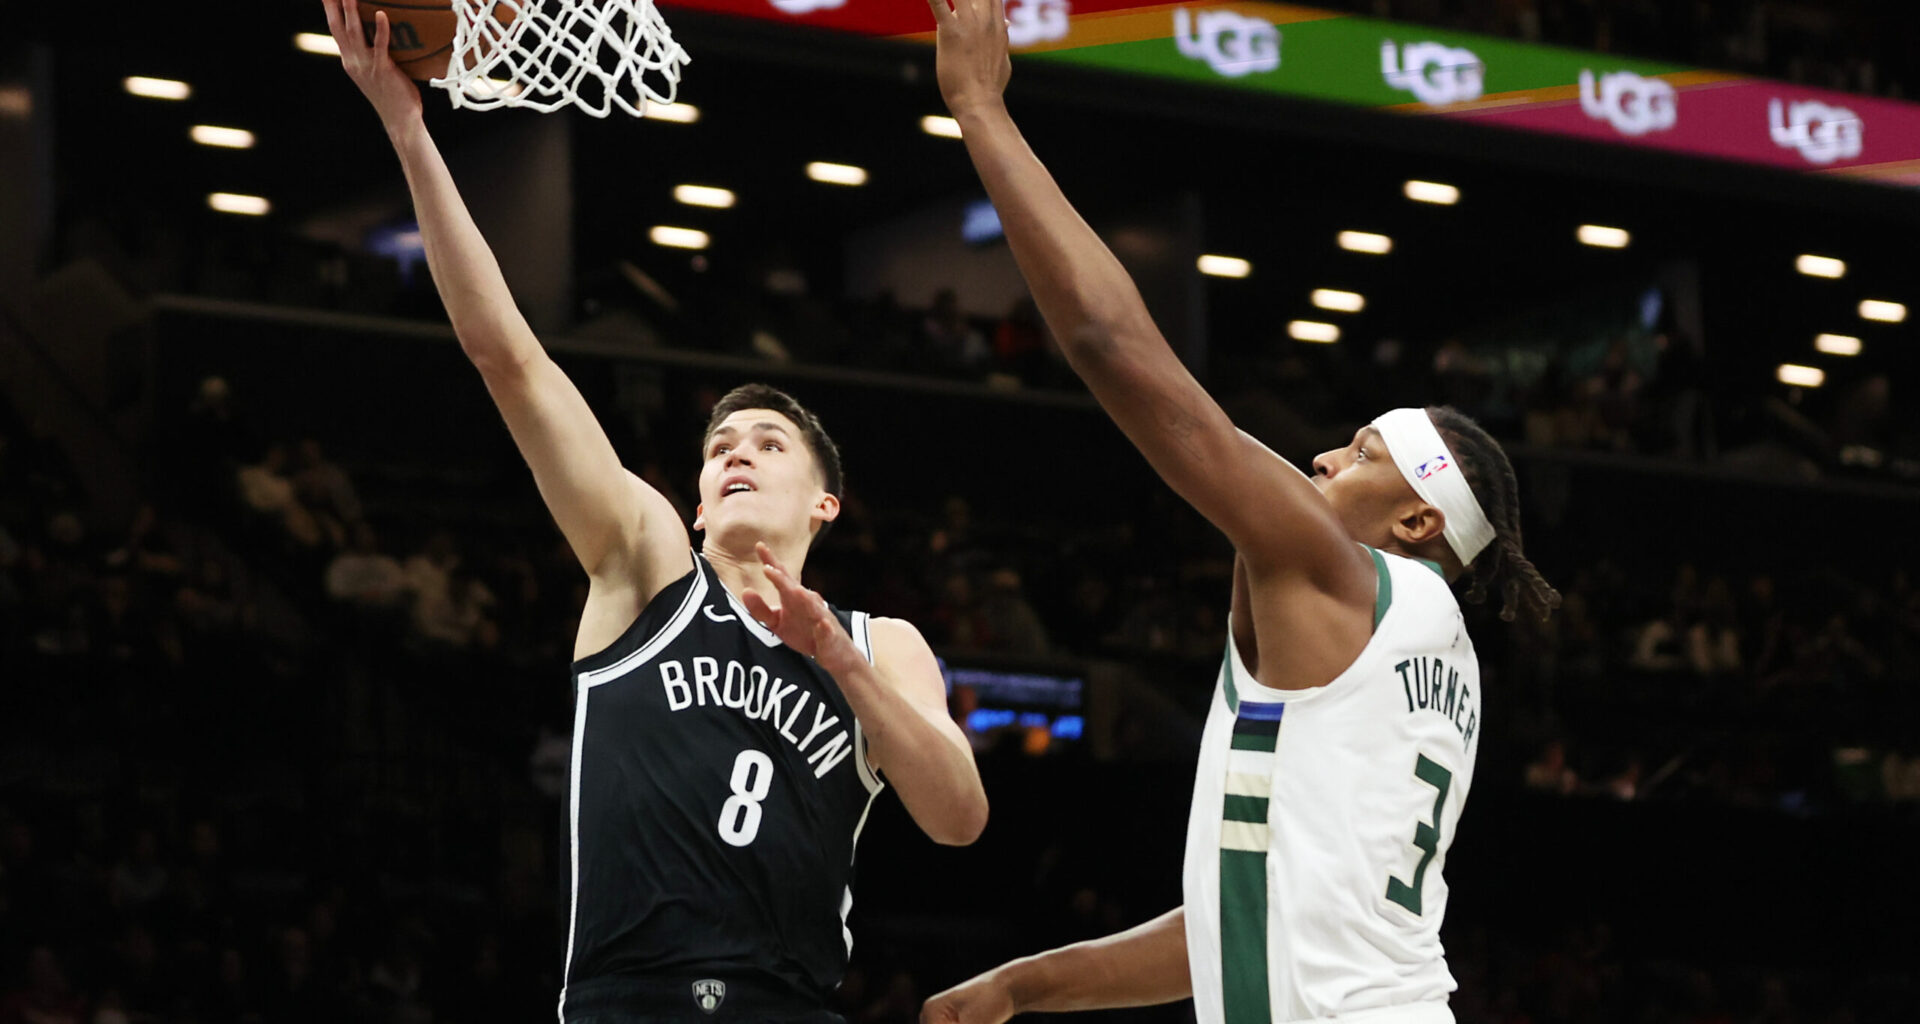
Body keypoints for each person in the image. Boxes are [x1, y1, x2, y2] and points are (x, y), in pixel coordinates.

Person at [319, 4, 989, 1021]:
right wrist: (409, 131)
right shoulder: (645, 562)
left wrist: (840, 664)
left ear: (825, 501)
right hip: (625, 1004)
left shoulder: (881, 643)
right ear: (694, 494)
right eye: (720, 448)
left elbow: (960, 819)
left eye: (767, 443)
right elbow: (510, 358)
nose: (735, 453)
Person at [917, 3, 1558, 1023]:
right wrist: (1025, 983)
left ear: (1416, 522)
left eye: (1361, 454)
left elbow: (1111, 345)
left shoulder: (1339, 570)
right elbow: (1246, 911)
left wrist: (980, 108)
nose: (1322, 456)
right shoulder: (1445, 663)